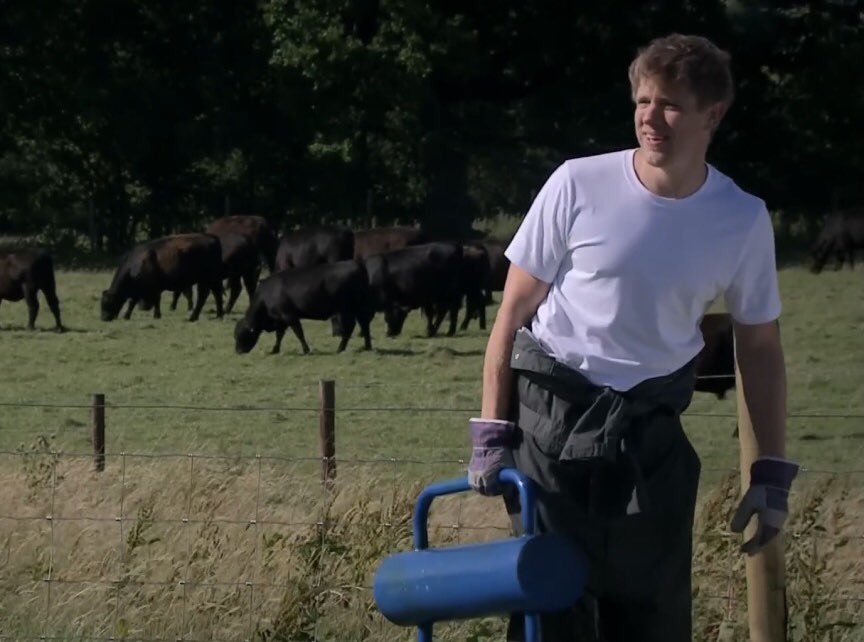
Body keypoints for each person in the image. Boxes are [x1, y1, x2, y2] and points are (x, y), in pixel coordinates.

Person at [467, 33, 798, 642]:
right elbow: (511, 313)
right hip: (550, 428)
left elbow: (760, 348)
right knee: (551, 609)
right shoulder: (577, 183)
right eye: (643, 100)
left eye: (670, 104)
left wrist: (771, 473)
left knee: (651, 618)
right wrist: (492, 429)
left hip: (651, 436)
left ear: (713, 114)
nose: (651, 116)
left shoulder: (741, 217)